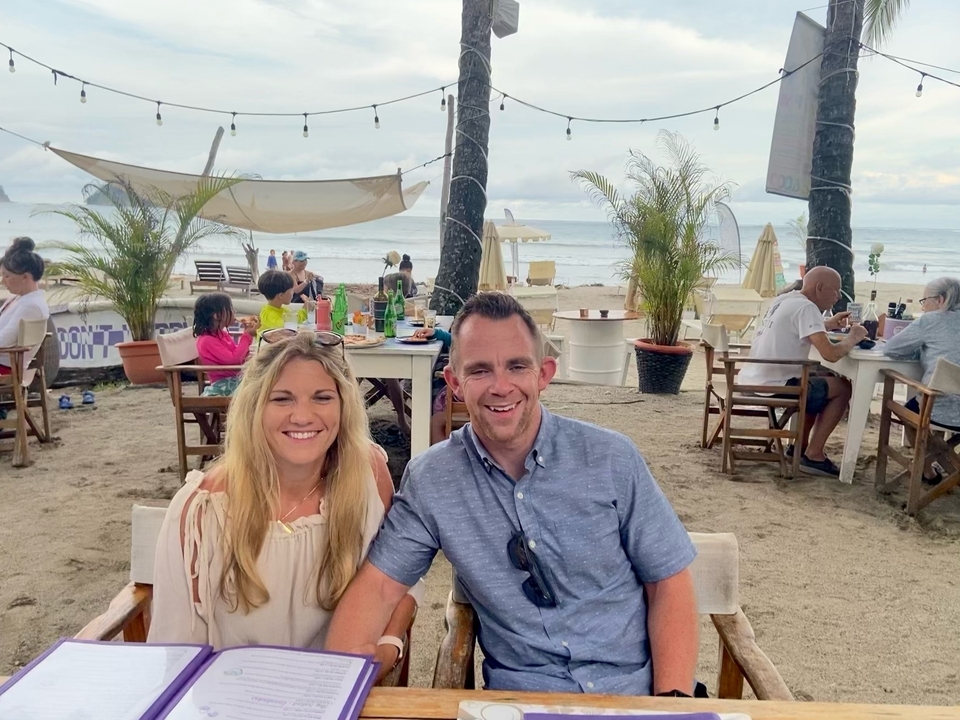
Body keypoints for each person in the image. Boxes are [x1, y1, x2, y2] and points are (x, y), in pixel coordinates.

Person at [326, 292, 699, 697]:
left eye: (517, 366)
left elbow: (668, 583)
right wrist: (333, 690)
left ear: (544, 374)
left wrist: (672, 703)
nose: (501, 387)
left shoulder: (611, 458)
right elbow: (379, 587)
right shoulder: (434, 479)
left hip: (634, 696)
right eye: (480, 370)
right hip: (522, 701)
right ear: (454, 383)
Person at [149, 332, 423, 679]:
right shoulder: (201, 510)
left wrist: (388, 646)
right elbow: (176, 655)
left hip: (339, 695)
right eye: (282, 399)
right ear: (254, 406)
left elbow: (400, 579)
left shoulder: (368, 476)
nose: (303, 416)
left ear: (344, 405)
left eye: (322, 397)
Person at [737, 266, 867, 477]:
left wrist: (827, 324)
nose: (837, 297)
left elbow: (796, 326)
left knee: (822, 380)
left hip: (753, 377)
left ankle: (799, 445)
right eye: (836, 290)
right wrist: (854, 337)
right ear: (819, 287)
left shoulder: (786, 299)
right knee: (842, 388)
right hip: (774, 385)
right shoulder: (807, 308)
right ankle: (814, 454)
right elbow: (831, 355)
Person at [884, 276, 960, 484]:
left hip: (939, 407)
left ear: (941, 300)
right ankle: (942, 460)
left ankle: (927, 470)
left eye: (925, 300)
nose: (924, 306)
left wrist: (921, 351)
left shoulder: (932, 320)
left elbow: (891, 348)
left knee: (910, 412)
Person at [193, 293, 259, 396]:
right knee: (259, 387)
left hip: (235, 379)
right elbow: (234, 359)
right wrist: (247, 335)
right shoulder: (207, 341)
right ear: (217, 315)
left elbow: (237, 354)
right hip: (224, 383)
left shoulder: (221, 334)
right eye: (231, 309)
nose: (234, 312)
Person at [0, 237, 49, 376]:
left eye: (7, 276)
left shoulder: (31, 306)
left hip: (6, 367)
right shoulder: (22, 300)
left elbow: (4, 341)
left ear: (25, 277)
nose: (3, 281)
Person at [257, 270, 316, 336]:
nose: (293, 293)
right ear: (281, 296)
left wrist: (306, 308)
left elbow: (295, 320)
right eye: (291, 291)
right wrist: (305, 309)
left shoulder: (280, 310)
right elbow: (287, 330)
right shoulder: (269, 315)